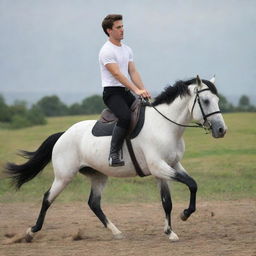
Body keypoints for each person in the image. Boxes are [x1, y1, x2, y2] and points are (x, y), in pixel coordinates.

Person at [99, 14, 151, 167]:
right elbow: (117, 74)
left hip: (125, 92)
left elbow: (133, 72)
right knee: (126, 117)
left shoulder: (127, 49)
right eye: (118, 27)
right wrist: (136, 90)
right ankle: (113, 154)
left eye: (122, 26)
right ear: (109, 30)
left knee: (145, 112)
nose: (122, 30)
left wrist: (143, 90)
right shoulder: (106, 51)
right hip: (112, 93)